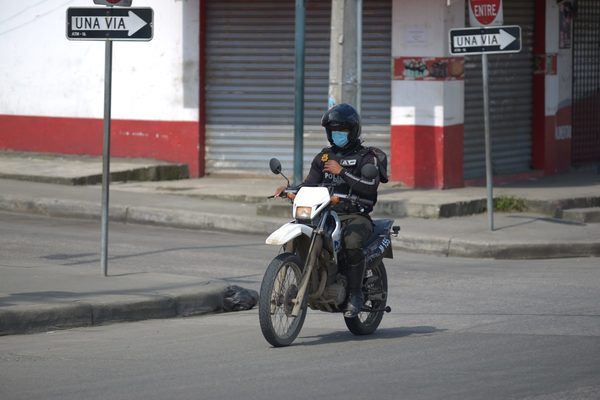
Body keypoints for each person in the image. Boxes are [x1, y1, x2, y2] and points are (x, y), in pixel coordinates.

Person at [274, 103, 381, 318]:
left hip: (354, 215)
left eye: (342, 131)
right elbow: (310, 184)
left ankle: (355, 294)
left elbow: (370, 187)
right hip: (324, 214)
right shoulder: (323, 157)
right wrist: (290, 190)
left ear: (353, 131)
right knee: (302, 229)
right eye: (333, 131)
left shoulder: (367, 157)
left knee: (351, 243)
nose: (337, 135)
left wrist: (341, 171)